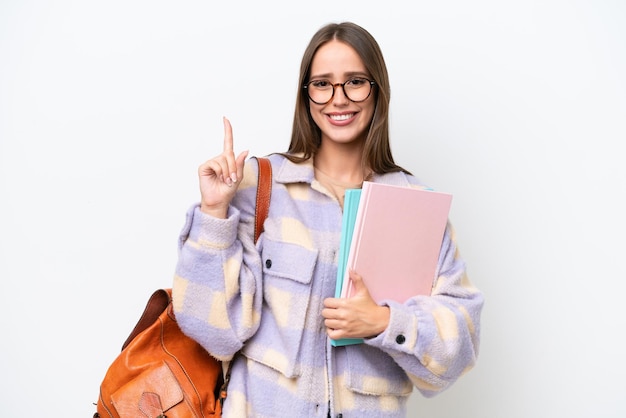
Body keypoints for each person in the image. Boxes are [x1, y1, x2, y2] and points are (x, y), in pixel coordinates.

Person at [172, 21, 483, 418]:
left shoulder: (414, 205)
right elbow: (213, 330)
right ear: (306, 95)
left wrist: (384, 321)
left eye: (354, 81)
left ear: (377, 91)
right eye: (322, 84)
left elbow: (461, 346)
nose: (338, 99)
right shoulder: (260, 186)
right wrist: (214, 212)